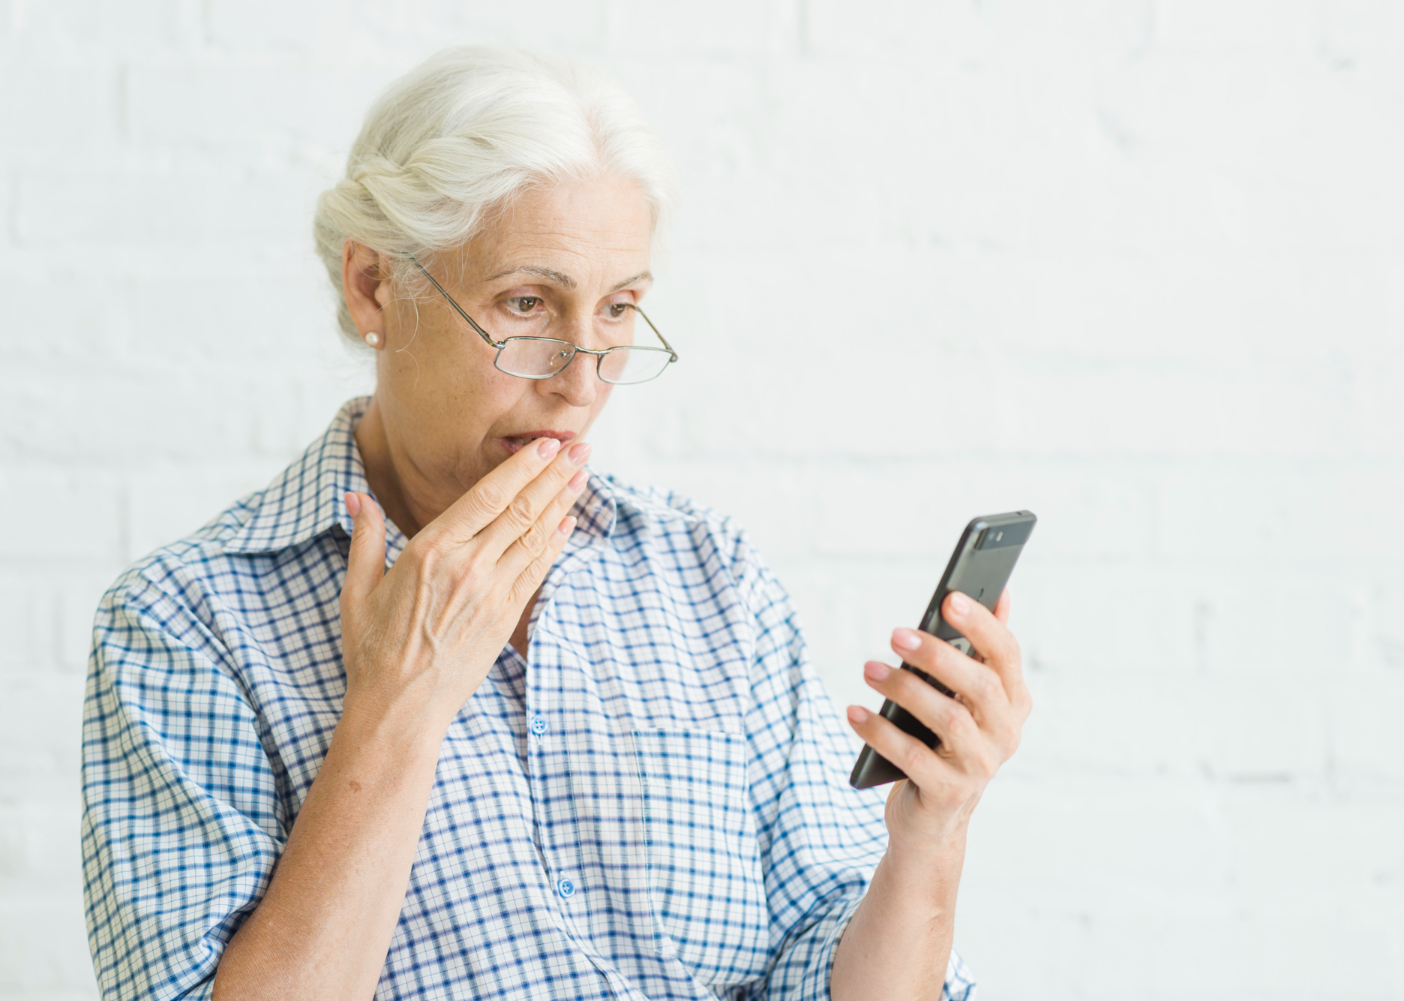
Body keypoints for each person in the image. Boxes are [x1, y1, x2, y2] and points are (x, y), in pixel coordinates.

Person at [80, 47, 1030, 1001]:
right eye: (526, 303)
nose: (581, 380)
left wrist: (931, 832)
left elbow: (822, 969)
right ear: (374, 286)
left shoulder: (711, 577)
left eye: (617, 309)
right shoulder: (185, 624)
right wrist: (401, 702)